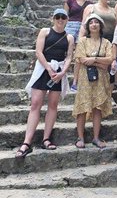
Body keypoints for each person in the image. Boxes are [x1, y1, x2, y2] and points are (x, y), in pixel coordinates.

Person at [16, 9, 74, 157]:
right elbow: (39, 52)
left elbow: (69, 57)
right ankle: (27, 142)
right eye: (58, 17)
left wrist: (62, 73)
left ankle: (46, 139)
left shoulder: (69, 37)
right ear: (53, 18)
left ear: (67, 20)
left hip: (58, 71)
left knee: (53, 105)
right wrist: (48, 69)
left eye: (63, 17)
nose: (60, 20)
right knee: (35, 104)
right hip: (43, 69)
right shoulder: (45, 31)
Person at [73, 14, 113, 149]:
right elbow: (81, 59)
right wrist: (101, 62)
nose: (94, 25)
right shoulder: (83, 41)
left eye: (96, 22)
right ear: (88, 26)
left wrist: (93, 60)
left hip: (101, 79)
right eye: (91, 23)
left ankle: (96, 137)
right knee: (82, 107)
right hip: (85, 78)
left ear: (101, 26)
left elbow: (110, 59)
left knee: (98, 107)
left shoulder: (106, 42)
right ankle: (80, 137)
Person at [64, 0, 93, 91]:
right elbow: (65, 15)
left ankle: (75, 82)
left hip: (83, 27)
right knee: (68, 53)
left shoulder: (90, 3)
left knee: (79, 55)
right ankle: (62, 79)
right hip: (70, 26)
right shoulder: (70, 0)